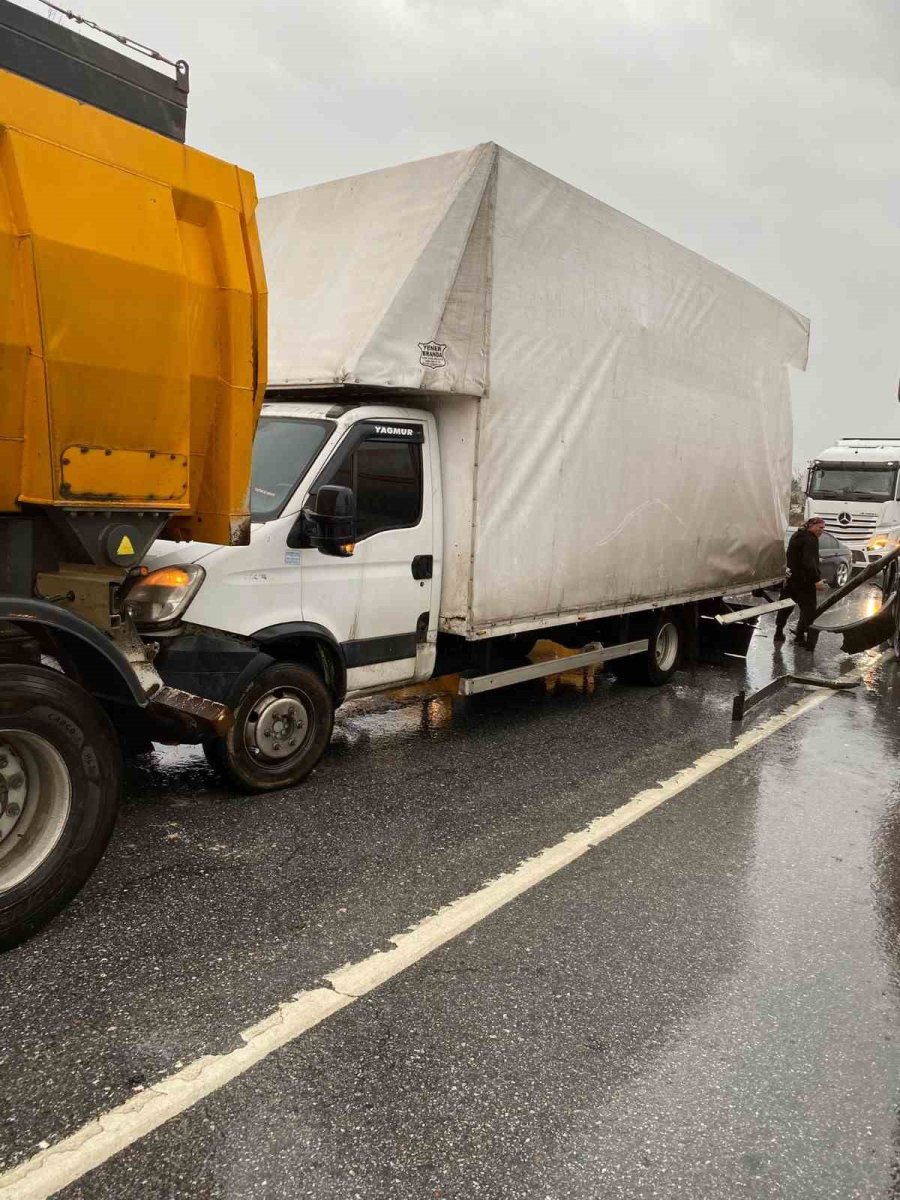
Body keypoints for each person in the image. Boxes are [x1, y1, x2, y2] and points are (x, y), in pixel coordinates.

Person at [774, 516, 828, 649]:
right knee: (808, 611)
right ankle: (799, 637)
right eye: (820, 528)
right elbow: (808, 562)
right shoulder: (811, 539)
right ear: (812, 526)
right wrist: (816, 580)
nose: (822, 531)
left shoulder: (797, 536)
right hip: (805, 582)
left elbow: (793, 555)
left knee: (785, 607)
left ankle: (778, 633)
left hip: (791, 580)